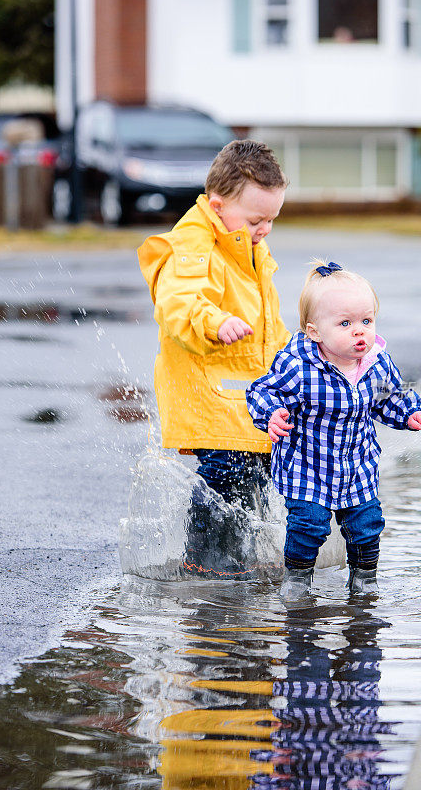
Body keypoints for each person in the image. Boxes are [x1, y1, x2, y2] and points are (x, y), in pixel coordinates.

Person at [138, 140, 290, 576]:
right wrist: (213, 321)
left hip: (245, 403)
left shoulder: (249, 251)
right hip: (211, 398)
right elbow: (177, 302)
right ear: (218, 205)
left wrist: (299, 357)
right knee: (224, 475)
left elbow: (269, 329)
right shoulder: (194, 245)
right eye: (257, 219)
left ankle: (243, 555)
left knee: (255, 477)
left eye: (272, 220)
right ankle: (204, 561)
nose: (265, 229)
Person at [246, 260, 421, 599]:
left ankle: (364, 579)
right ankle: (297, 579)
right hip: (307, 466)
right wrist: (273, 413)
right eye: (345, 323)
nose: (360, 331)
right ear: (315, 331)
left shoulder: (377, 362)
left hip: (356, 466)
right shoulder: (297, 365)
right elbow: (262, 391)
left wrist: (412, 415)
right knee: (309, 525)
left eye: (366, 320)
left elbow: (389, 398)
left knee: (366, 525)